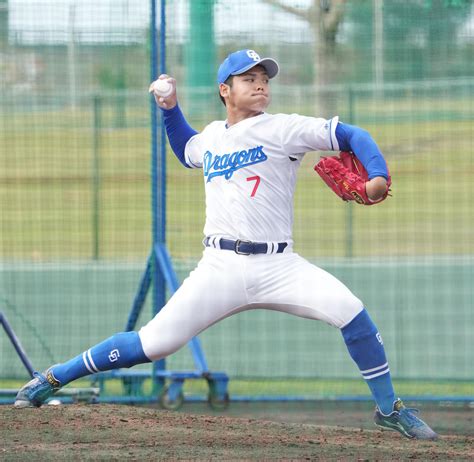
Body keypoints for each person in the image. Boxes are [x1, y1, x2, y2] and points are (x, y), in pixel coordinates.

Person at [15, 49, 437, 440]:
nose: (260, 84)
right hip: (219, 268)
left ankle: (388, 408)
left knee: (352, 313)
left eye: (264, 78)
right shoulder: (214, 136)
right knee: (152, 343)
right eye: (248, 78)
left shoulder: (284, 127)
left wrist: (377, 175)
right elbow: (186, 150)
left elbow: (353, 135)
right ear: (224, 89)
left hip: (279, 266)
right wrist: (169, 109)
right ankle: (53, 377)